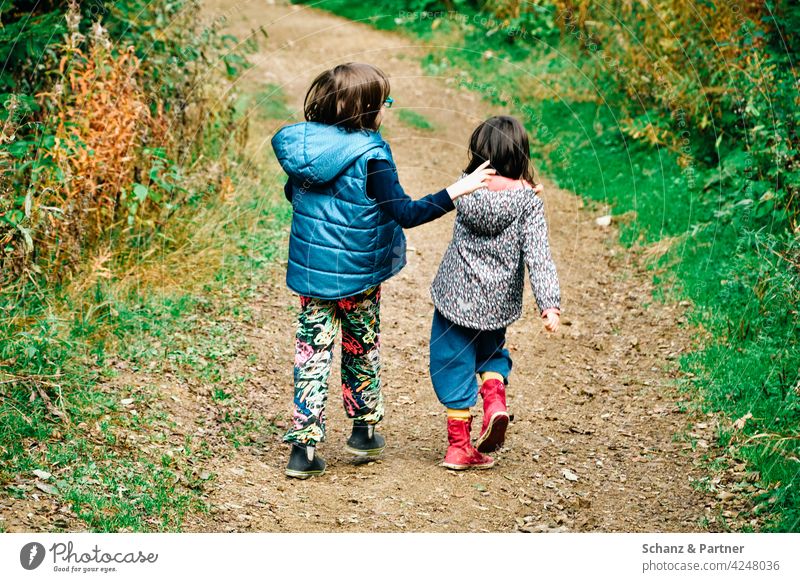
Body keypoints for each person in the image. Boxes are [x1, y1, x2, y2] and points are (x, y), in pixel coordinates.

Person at [271, 62, 495, 479]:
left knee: (311, 354)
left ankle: (302, 450)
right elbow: (404, 213)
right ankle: (363, 430)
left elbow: (294, 195)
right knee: (361, 347)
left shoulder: (303, 150)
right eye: (385, 102)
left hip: (313, 276)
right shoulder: (373, 156)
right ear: (368, 109)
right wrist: (455, 191)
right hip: (359, 276)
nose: (387, 109)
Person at [429, 115, 562, 470]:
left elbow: (467, 187)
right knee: (491, 356)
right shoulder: (528, 202)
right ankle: (494, 401)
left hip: (454, 298)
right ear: (521, 158)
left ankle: (459, 448)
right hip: (496, 303)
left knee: (452, 364)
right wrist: (549, 304)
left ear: (479, 156)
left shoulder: (464, 189)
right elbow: (538, 254)